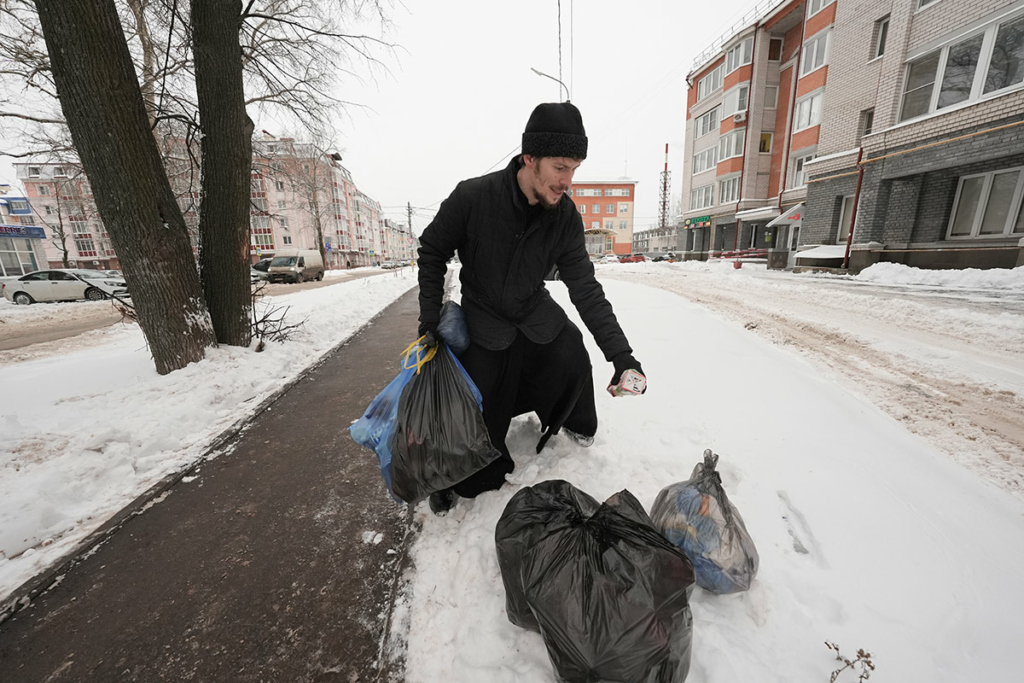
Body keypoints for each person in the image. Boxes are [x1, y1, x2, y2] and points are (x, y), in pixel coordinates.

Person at [416, 101, 645, 514]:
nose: (567, 181)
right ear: (530, 158)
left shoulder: (565, 219)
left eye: (574, 169)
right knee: (479, 407)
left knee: (570, 350)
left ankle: (573, 424)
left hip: (533, 310)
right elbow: (431, 251)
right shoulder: (473, 197)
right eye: (560, 167)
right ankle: (458, 470)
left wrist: (622, 355)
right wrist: (430, 318)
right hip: (484, 317)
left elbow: (586, 290)